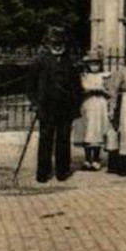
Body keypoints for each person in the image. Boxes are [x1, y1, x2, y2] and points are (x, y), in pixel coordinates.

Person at [27, 25, 82, 184]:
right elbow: (30, 85)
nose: (57, 45)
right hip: (46, 107)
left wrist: (75, 105)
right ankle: (43, 172)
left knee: (63, 140)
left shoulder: (70, 61)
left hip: (66, 108)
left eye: (60, 42)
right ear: (48, 42)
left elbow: (77, 87)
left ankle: (62, 170)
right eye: (54, 42)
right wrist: (35, 103)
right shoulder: (40, 61)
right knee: (46, 139)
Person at [77, 52, 110, 169]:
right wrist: (88, 91)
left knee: (97, 130)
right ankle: (87, 159)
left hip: (100, 105)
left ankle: (96, 159)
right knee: (87, 130)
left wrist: (103, 91)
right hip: (88, 104)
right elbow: (80, 90)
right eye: (92, 64)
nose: (94, 67)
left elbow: (109, 91)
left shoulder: (105, 76)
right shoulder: (84, 76)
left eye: (96, 64)